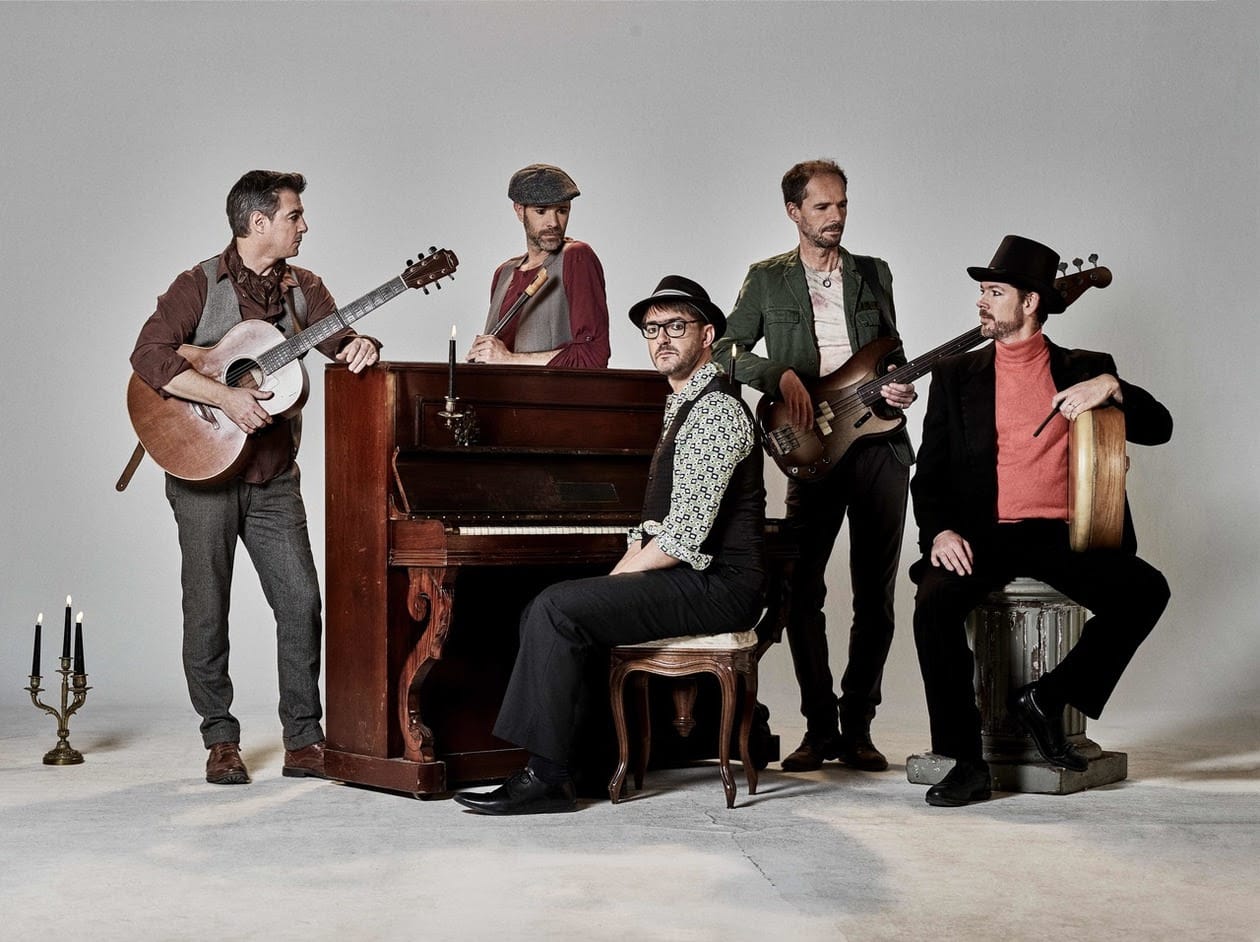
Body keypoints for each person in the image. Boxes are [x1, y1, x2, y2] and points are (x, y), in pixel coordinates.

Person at [454, 276, 766, 814]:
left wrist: (612, 582)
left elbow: (681, 538)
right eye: (652, 329)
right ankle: (585, 764)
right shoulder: (682, 405)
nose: (662, 339)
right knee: (551, 607)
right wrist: (608, 583)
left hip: (722, 585)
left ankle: (547, 778)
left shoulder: (715, 410)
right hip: (696, 577)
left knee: (557, 608)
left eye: (676, 326)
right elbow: (652, 529)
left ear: (707, 335)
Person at [130, 170, 380, 785]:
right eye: (295, 215)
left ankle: (305, 739)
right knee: (206, 609)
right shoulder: (198, 283)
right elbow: (149, 354)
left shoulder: (306, 289)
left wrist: (360, 345)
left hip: (272, 477)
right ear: (258, 222)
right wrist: (224, 395)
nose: (304, 225)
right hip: (202, 473)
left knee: (301, 602)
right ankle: (220, 739)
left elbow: (339, 338)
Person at [910, 234, 1172, 807]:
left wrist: (1114, 388)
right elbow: (928, 473)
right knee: (933, 605)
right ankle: (965, 762)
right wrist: (939, 531)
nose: (981, 301)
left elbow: (1160, 427)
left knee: (1147, 591)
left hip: (1062, 535)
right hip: (983, 533)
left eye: (994, 292)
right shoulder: (955, 374)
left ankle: (1046, 699)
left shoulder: (1086, 367)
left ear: (1030, 302)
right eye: (982, 290)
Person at [713, 159, 916, 773]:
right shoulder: (767, 279)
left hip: (878, 444)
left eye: (842, 204)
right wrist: (777, 374)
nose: (836, 216)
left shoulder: (873, 273)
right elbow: (723, 350)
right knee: (802, 591)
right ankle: (819, 728)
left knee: (876, 595)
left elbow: (892, 353)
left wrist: (898, 387)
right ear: (793, 211)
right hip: (811, 445)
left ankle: (859, 728)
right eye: (822, 206)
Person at [465, 163, 610, 368]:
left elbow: (593, 356)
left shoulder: (577, 257)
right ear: (519, 211)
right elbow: (494, 359)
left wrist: (509, 359)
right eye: (541, 211)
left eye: (562, 210)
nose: (554, 223)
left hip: (550, 390)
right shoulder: (503, 273)